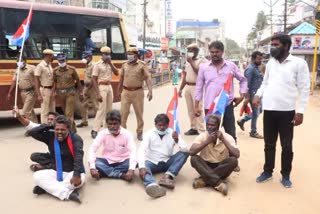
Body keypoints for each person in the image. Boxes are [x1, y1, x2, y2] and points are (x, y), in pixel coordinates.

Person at [253, 34, 310, 188]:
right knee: (269, 144)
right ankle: (267, 171)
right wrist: (258, 94)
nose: (272, 47)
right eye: (272, 44)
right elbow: (265, 82)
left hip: (287, 112)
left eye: (276, 44)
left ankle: (285, 175)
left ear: (285, 46)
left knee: (286, 146)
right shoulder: (271, 63)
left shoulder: (298, 63)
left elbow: (304, 88)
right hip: (269, 110)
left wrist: (301, 111)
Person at [194, 41, 248, 141]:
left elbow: (243, 80)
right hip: (210, 107)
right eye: (212, 52)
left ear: (222, 52)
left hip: (227, 106)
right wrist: (196, 106)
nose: (214, 54)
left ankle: (232, 156)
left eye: (217, 52)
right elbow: (199, 87)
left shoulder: (231, 66)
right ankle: (211, 156)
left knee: (230, 135)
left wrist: (242, 94)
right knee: (211, 136)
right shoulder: (203, 67)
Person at [29, 115, 85, 203]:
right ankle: (68, 194)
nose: (59, 132)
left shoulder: (76, 139)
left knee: (76, 182)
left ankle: (48, 188)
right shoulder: (51, 136)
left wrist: (76, 175)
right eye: (57, 129)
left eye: (62, 130)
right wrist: (49, 126)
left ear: (68, 129)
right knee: (36, 176)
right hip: (56, 171)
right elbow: (32, 132)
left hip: (73, 172)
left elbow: (79, 157)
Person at [138, 114, 189, 198]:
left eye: (164, 125)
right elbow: (141, 150)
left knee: (185, 153)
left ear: (168, 125)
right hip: (151, 162)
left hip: (167, 162)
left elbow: (185, 149)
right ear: (155, 125)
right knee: (144, 168)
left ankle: (167, 177)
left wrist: (178, 140)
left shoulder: (173, 133)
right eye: (159, 125)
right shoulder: (149, 133)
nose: (161, 127)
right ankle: (152, 185)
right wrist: (141, 167)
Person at [189, 114, 239, 196]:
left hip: (221, 167)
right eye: (208, 124)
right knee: (194, 159)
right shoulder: (203, 136)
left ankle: (204, 180)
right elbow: (191, 152)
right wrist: (207, 141)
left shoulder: (227, 137)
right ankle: (219, 184)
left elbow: (236, 154)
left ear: (219, 126)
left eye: (212, 125)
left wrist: (223, 139)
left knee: (233, 161)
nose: (209, 127)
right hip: (206, 166)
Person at [88, 110, 137, 182]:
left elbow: (133, 151)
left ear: (120, 123)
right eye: (110, 124)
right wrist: (92, 168)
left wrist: (131, 169)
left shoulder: (127, 134)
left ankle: (104, 173)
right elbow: (92, 149)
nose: (112, 126)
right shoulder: (102, 133)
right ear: (107, 123)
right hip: (108, 161)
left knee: (136, 162)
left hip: (123, 161)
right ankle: (120, 175)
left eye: (115, 124)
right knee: (95, 162)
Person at [117, 47, 153, 141]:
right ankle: (123, 133)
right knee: (123, 113)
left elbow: (147, 78)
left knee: (139, 113)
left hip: (138, 92)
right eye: (128, 54)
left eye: (131, 54)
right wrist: (118, 90)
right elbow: (121, 78)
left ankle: (139, 132)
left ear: (136, 55)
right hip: (126, 92)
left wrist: (150, 91)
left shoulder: (142, 65)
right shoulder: (124, 65)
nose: (129, 56)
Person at [178, 43, 207, 136]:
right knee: (190, 109)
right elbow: (185, 76)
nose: (189, 52)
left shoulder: (202, 61)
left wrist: (191, 62)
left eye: (191, 50)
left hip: (197, 87)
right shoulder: (187, 62)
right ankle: (193, 127)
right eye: (188, 51)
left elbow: (199, 72)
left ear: (196, 51)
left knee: (198, 108)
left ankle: (201, 129)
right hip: (188, 87)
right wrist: (181, 89)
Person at [91, 46, 119, 139]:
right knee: (101, 109)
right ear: (101, 55)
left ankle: (108, 129)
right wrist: (98, 93)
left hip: (109, 86)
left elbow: (116, 73)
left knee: (109, 109)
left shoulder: (110, 63)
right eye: (105, 54)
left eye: (108, 54)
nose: (107, 56)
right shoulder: (97, 65)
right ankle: (95, 129)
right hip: (101, 86)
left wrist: (110, 63)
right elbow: (94, 79)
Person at [52, 53, 83, 133]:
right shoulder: (55, 70)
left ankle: (69, 131)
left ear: (66, 60)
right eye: (60, 61)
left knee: (69, 112)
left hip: (70, 92)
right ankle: (73, 128)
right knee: (65, 112)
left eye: (63, 60)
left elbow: (78, 81)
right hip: (60, 93)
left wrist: (81, 92)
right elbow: (54, 82)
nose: (61, 62)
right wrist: (53, 92)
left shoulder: (72, 69)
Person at [237, 51, 264, 139]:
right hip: (252, 94)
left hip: (258, 94)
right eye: (259, 59)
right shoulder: (250, 69)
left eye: (261, 59)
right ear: (253, 59)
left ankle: (242, 121)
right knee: (256, 113)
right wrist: (247, 98)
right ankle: (253, 131)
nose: (260, 61)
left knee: (260, 111)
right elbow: (246, 84)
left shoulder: (256, 67)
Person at [7, 55, 38, 124]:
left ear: (25, 61)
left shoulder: (31, 68)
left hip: (31, 92)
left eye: (20, 60)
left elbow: (37, 78)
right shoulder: (17, 70)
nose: (19, 62)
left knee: (26, 111)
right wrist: (10, 92)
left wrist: (37, 90)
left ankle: (31, 127)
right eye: (17, 61)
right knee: (30, 111)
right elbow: (14, 81)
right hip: (23, 92)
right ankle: (35, 126)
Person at [77, 51, 98, 128]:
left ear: (90, 57)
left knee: (95, 105)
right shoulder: (87, 65)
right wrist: (85, 89)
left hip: (92, 87)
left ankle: (99, 121)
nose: (84, 59)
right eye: (84, 57)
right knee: (83, 105)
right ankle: (84, 121)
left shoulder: (94, 65)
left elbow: (93, 79)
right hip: (86, 86)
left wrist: (87, 89)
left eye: (86, 57)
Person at [34, 49, 55, 124]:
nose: (53, 57)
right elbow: (36, 80)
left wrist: (53, 91)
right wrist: (38, 94)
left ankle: (52, 125)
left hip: (51, 90)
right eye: (52, 56)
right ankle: (44, 126)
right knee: (45, 110)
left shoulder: (49, 65)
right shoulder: (40, 66)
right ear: (48, 56)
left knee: (52, 109)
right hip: (44, 90)